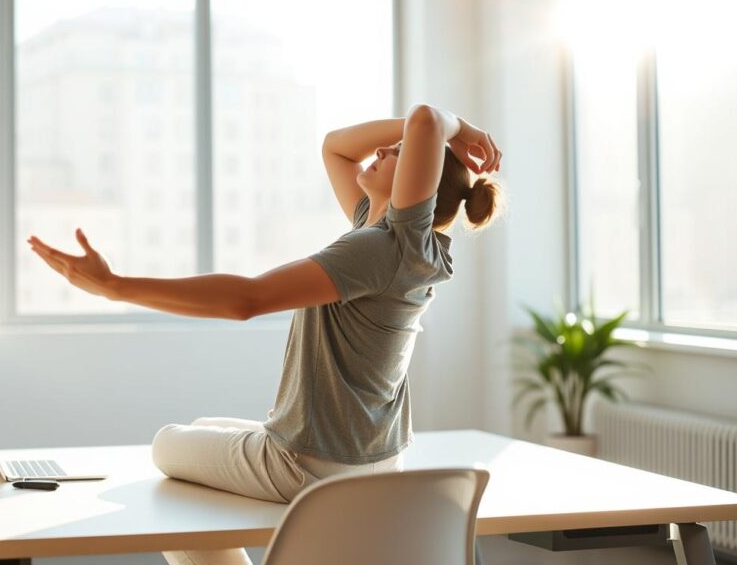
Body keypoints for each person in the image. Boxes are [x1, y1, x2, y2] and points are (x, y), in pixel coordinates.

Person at [28, 103, 504, 565]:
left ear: (418, 186)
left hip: (312, 464)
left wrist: (114, 287)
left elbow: (245, 300)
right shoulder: (385, 236)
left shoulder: (386, 247)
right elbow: (335, 148)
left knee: (165, 446)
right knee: (205, 428)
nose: (381, 150)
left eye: (397, 151)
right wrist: (431, 138)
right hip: (373, 458)